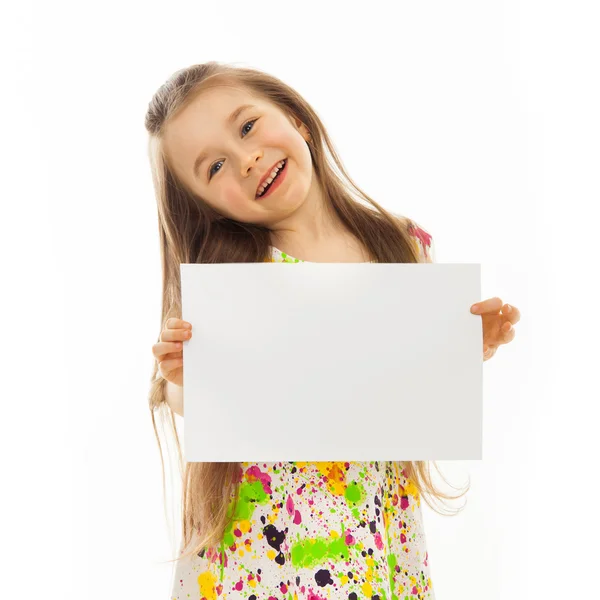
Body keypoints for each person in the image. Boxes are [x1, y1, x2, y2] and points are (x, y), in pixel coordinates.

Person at [146, 61, 520, 600]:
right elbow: (185, 396)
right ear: (205, 207)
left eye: (247, 127)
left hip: (375, 537)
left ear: (296, 118)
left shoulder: (404, 247)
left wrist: (464, 348)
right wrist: (187, 379)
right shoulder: (236, 283)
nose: (247, 159)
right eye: (215, 167)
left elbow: (405, 385)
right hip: (261, 556)